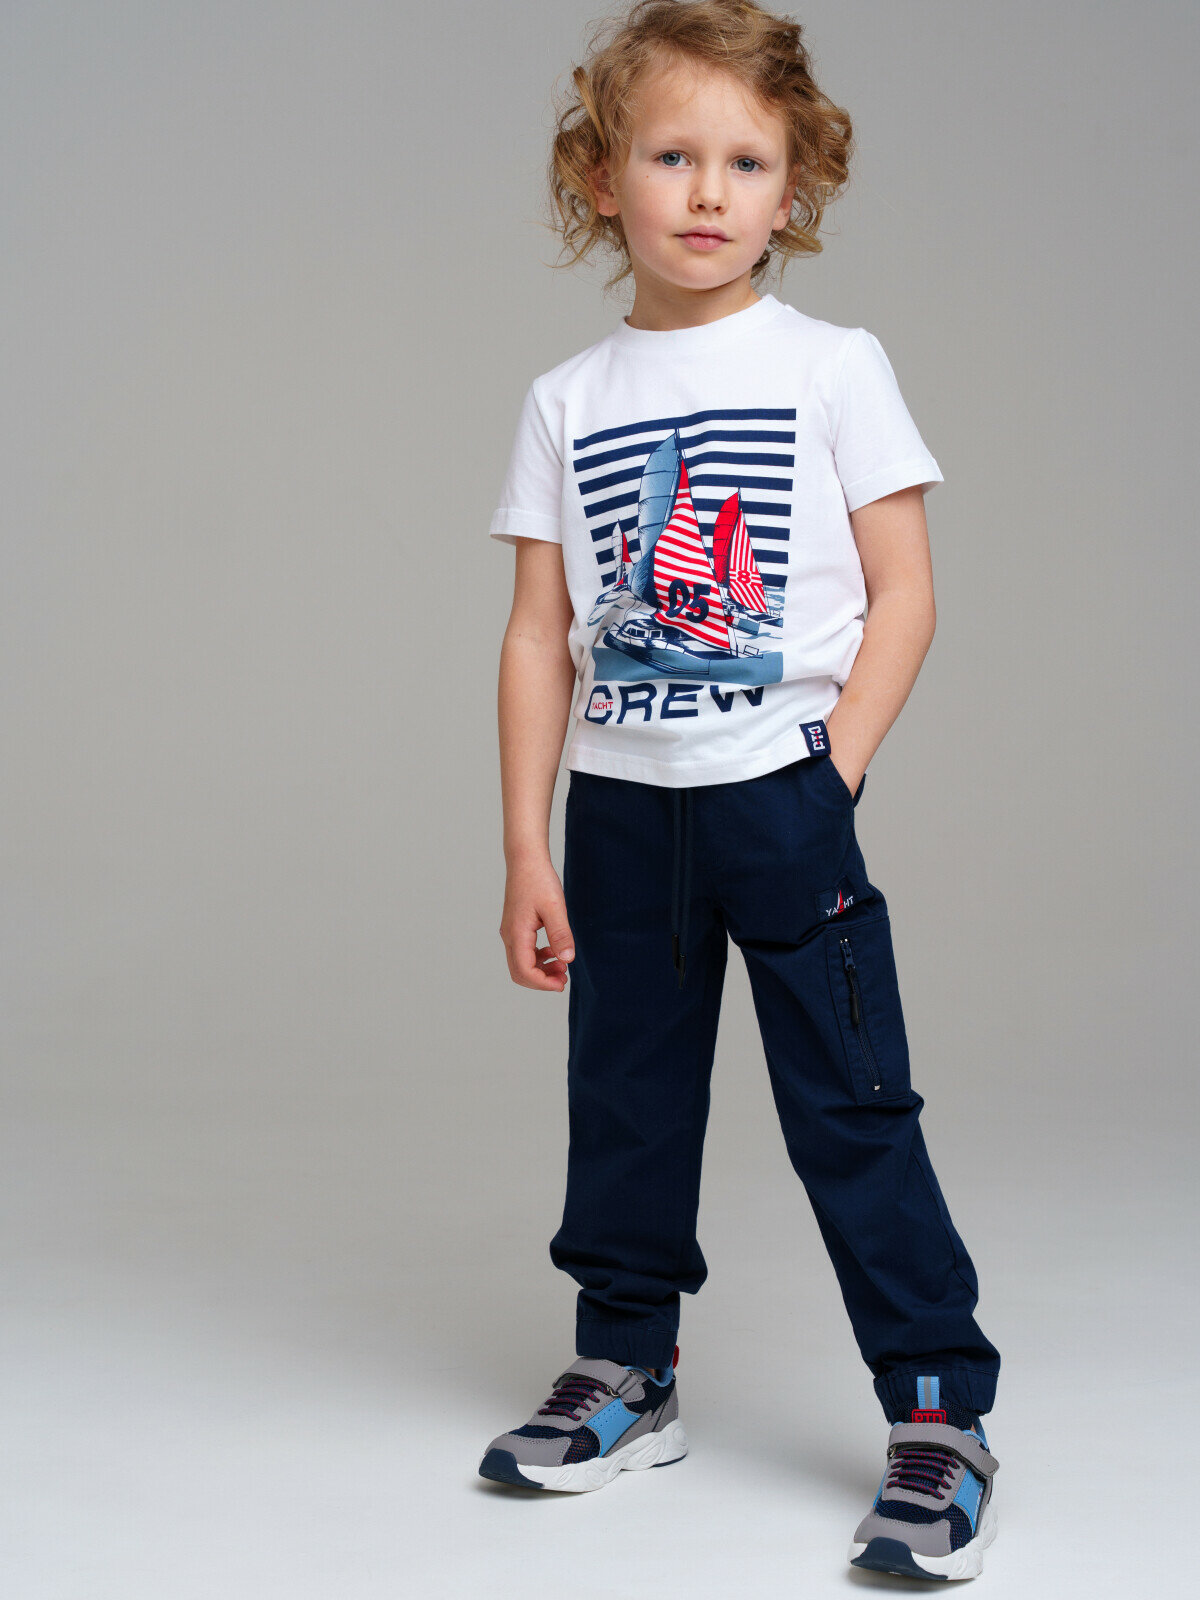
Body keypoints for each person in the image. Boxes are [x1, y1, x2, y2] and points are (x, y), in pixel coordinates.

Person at [478, 0, 1001, 1579]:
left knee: (851, 1104)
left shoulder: (832, 367)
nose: (709, 191)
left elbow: (907, 593)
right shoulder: (567, 399)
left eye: (747, 162)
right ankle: (627, 1368)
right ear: (601, 178)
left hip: (781, 797)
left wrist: (831, 769)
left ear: (794, 188)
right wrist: (525, 846)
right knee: (626, 1096)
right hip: (620, 812)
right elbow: (537, 635)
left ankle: (938, 1412)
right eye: (671, 156)